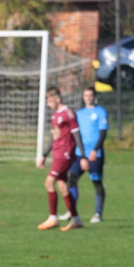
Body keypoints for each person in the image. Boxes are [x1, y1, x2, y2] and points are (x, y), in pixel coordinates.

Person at [37, 87, 87, 231]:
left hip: (65, 154)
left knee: (49, 182)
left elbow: (77, 135)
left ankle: (53, 218)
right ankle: (76, 219)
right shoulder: (54, 115)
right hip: (57, 154)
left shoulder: (68, 113)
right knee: (62, 186)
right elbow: (53, 138)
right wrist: (44, 155)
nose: (48, 104)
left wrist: (83, 156)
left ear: (58, 99)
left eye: (50, 101)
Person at [68, 86, 108, 223]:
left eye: (90, 95)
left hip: (95, 154)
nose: (88, 98)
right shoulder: (79, 113)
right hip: (80, 153)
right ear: (83, 97)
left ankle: (98, 214)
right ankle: (71, 211)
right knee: (72, 178)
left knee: (96, 181)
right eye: (86, 95)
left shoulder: (100, 112)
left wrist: (95, 150)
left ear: (94, 96)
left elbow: (103, 133)